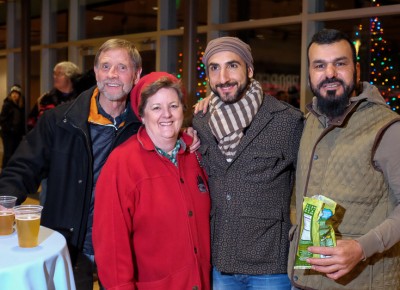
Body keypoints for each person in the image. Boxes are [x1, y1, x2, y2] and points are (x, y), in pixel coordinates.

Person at [288, 29, 400, 289]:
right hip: (304, 281)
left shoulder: (388, 128)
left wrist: (362, 248)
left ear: (356, 70)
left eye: (340, 63)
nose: (329, 73)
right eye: (320, 65)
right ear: (309, 74)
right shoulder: (309, 121)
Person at [192, 36, 304, 289]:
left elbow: (311, 186)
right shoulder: (200, 121)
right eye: (214, 68)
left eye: (232, 65)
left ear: (250, 70)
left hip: (270, 266)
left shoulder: (286, 121)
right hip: (221, 262)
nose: (223, 77)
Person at [93, 72, 211, 290]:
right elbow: (111, 244)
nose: (166, 114)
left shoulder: (196, 153)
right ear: (142, 115)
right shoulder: (122, 163)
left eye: (173, 106)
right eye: (156, 108)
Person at [27, 61, 81, 130]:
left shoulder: (81, 99)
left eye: (59, 74)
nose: (55, 77)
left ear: (70, 77)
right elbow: (31, 122)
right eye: (54, 74)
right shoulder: (44, 99)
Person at [0, 85, 25, 168]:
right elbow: (2, 119)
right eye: (13, 93)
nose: (15, 95)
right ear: (10, 94)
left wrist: (23, 133)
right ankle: (5, 173)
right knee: (8, 154)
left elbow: (21, 121)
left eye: (17, 93)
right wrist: (10, 129)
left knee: (15, 154)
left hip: (17, 134)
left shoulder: (20, 106)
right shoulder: (7, 105)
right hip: (8, 134)